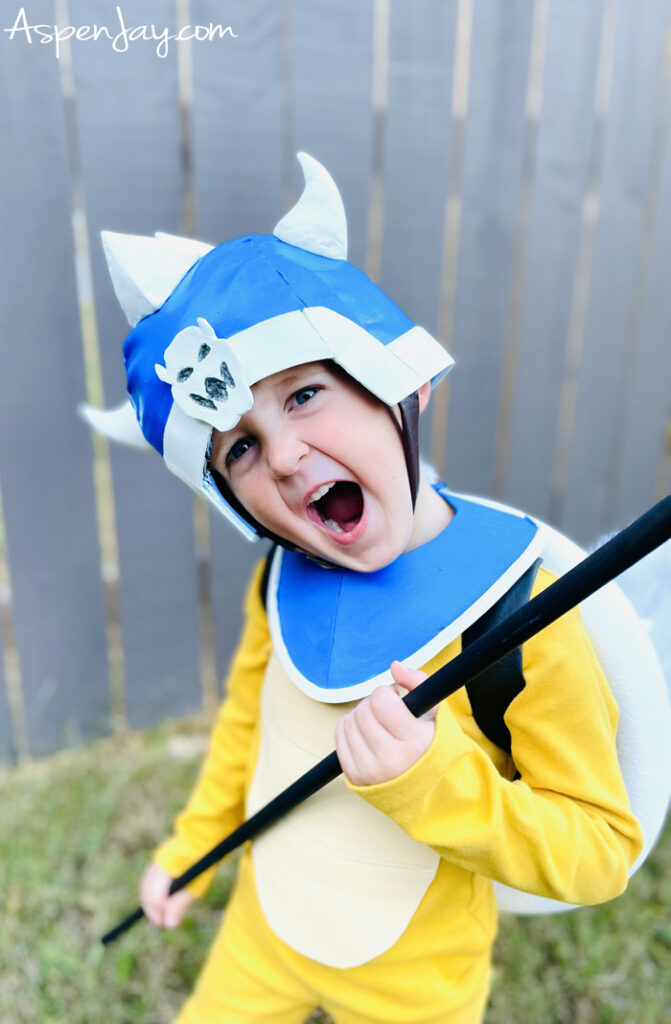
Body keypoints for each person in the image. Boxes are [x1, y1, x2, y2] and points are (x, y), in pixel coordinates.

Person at [82, 154, 649, 1023]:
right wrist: (192, 846)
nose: (280, 455)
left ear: (398, 378)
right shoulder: (279, 578)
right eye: (237, 447)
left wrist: (433, 777)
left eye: (304, 394)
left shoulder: (521, 613)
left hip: (413, 989)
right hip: (261, 935)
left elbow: (598, 851)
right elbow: (246, 727)